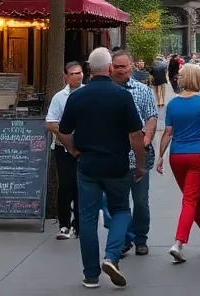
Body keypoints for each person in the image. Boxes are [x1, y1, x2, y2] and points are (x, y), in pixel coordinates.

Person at [57, 48, 145, 289]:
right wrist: (140, 164)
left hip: (88, 165)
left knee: (86, 218)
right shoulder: (122, 96)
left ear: (88, 69)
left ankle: (91, 275)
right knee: (120, 210)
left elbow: (62, 131)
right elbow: (136, 134)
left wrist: (75, 150)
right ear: (109, 68)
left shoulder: (77, 97)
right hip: (116, 163)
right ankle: (111, 256)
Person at [156, 63, 200, 263]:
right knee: (190, 201)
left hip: (176, 156)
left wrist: (160, 156)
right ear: (199, 80)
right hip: (198, 155)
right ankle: (179, 242)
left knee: (189, 198)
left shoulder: (173, 104)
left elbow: (168, 132)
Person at [112, 49, 159, 256]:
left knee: (140, 202)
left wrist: (147, 138)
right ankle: (124, 239)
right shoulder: (108, 91)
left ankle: (141, 237)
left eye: (124, 66)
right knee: (119, 202)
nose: (120, 70)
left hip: (140, 154)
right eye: (117, 66)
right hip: (116, 156)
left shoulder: (142, 90)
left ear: (131, 67)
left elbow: (151, 116)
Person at [45, 61, 85, 240]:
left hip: (84, 148)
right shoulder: (59, 97)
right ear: (66, 77)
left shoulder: (88, 94)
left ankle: (80, 224)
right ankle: (64, 225)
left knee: (81, 187)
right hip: (63, 148)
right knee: (66, 185)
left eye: (80, 73)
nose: (77, 76)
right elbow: (50, 123)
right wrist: (65, 135)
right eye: (73, 74)